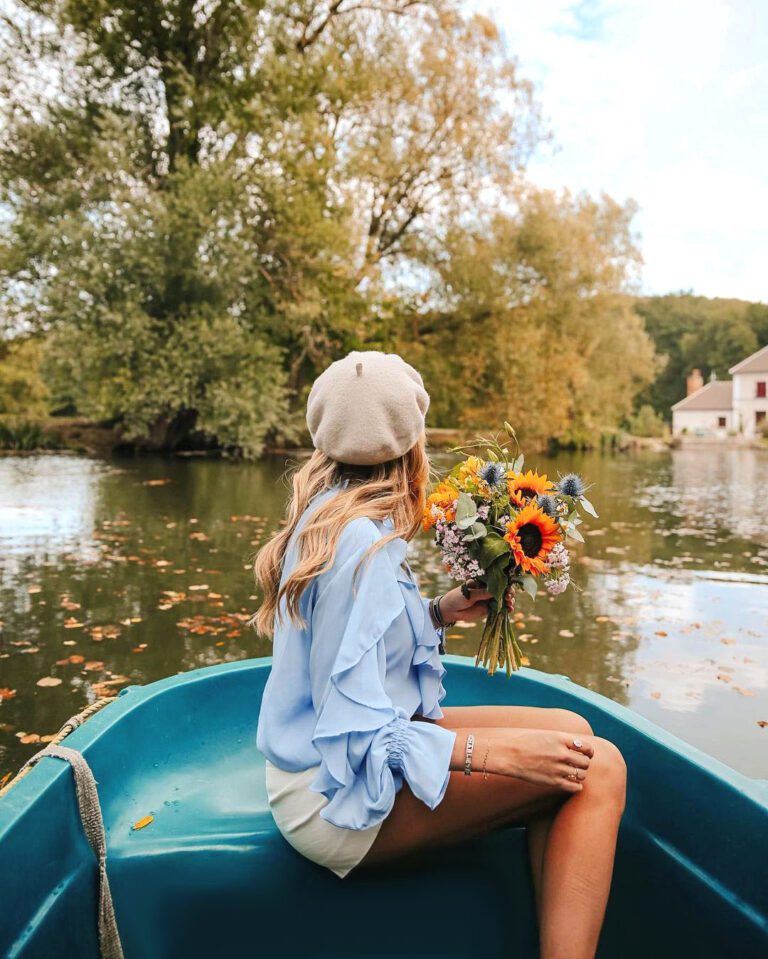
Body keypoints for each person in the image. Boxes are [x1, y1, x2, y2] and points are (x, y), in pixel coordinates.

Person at [251, 350, 626, 959]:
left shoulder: (335, 518)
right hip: (333, 794)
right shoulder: (361, 548)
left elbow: (353, 657)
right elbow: (354, 729)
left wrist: (436, 613)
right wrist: (491, 753)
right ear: (412, 444)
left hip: (324, 763)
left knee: (572, 734)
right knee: (598, 767)